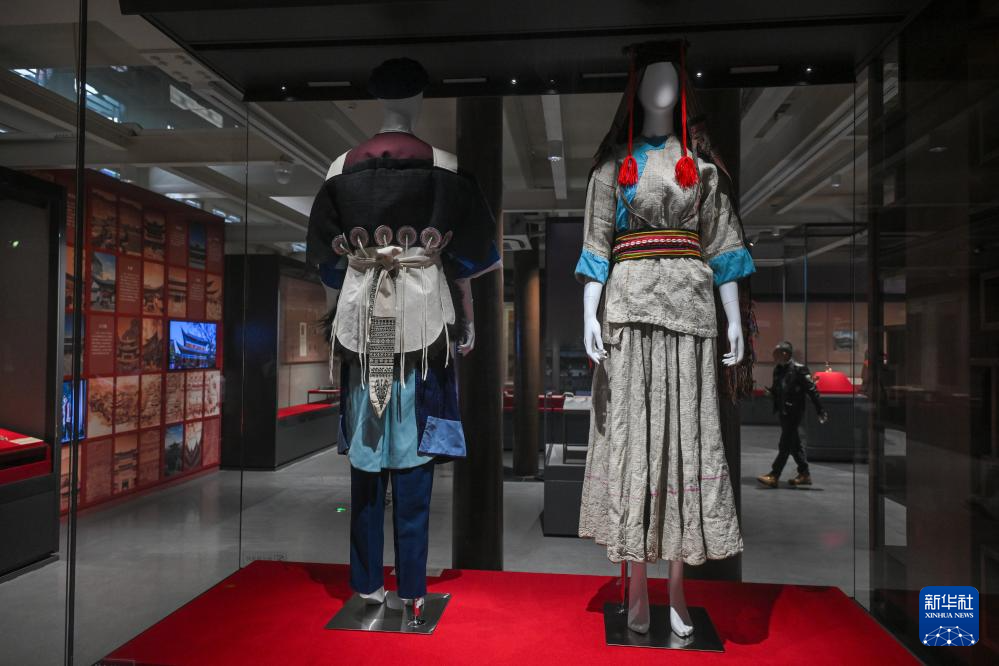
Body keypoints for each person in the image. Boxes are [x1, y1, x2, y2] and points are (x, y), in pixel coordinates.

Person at [757, 341, 828, 488]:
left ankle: (774, 475)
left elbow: (812, 390)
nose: (773, 356)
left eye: (776, 353)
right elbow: (778, 388)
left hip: (794, 411)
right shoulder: (778, 369)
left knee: (784, 444)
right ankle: (804, 474)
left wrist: (820, 410)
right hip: (783, 411)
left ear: (785, 353)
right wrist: (771, 393)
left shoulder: (799, 369)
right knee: (794, 444)